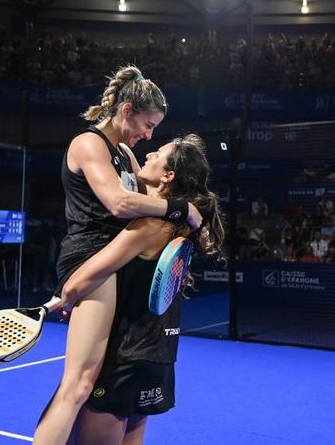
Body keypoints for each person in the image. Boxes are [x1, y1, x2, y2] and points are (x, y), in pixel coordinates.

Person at [33, 67, 200, 445]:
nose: (149, 135)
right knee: (79, 384)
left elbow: (153, 192)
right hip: (90, 256)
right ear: (126, 110)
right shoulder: (88, 145)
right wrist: (181, 208)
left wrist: (185, 207)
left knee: (100, 386)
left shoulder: (125, 153)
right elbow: (120, 202)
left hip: (113, 258)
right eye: (147, 124)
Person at [52, 134, 224, 444]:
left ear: (168, 176)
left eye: (157, 155)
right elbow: (133, 164)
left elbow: (80, 280)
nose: (148, 156)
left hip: (124, 357)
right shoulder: (182, 225)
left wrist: (69, 297)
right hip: (158, 356)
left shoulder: (148, 226)